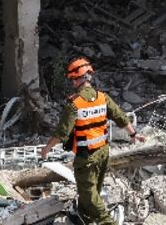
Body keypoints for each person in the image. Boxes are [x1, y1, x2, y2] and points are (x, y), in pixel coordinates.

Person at [39, 57, 144, 225]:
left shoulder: (74, 104)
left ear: (79, 78)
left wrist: (46, 149)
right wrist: (133, 135)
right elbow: (120, 117)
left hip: (86, 157)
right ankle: (84, 217)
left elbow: (61, 133)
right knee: (94, 189)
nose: (72, 82)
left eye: (73, 79)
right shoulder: (103, 98)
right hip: (103, 152)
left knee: (88, 193)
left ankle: (106, 222)